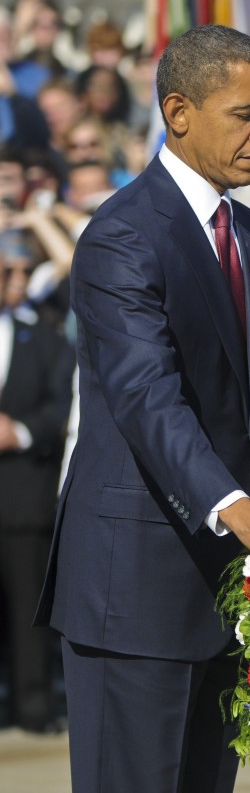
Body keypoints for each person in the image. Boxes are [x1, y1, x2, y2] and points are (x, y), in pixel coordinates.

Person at [34, 24, 250, 793]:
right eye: (245, 114)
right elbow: (145, 394)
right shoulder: (122, 236)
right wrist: (234, 505)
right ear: (179, 111)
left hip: (229, 588)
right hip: (133, 593)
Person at [0, 230, 72, 733]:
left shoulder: (45, 336)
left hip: (22, 496)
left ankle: (33, 707)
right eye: (8, 272)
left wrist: (19, 431)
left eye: (26, 271)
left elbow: (63, 405)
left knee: (28, 608)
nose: (19, 281)